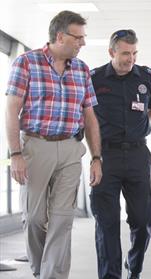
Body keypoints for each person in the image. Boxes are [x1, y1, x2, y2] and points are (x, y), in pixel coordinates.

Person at [5, 10, 102, 279]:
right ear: (60, 36)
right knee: (34, 218)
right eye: (78, 37)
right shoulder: (26, 63)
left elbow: (90, 116)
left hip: (71, 148)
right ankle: (41, 271)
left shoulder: (82, 70)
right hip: (36, 147)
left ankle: (53, 276)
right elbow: (11, 109)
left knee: (62, 221)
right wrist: (15, 153)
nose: (83, 43)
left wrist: (96, 158)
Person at [89, 29, 151, 279]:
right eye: (125, 53)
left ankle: (135, 265)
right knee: (107, 223)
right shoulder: (95, 79)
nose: (130, 59)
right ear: (111, 52)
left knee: (143, 220)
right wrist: (95, 156)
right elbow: (87, 118)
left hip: (138, 155)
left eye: (134, 53)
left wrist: (137, 129)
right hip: (106, 156)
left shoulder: (148, 78)